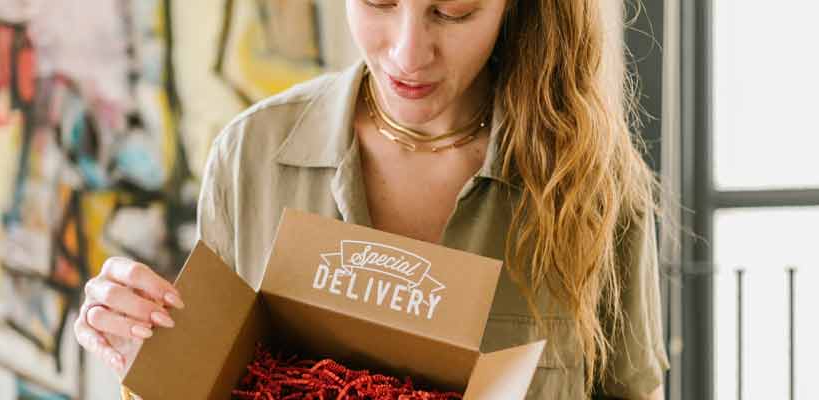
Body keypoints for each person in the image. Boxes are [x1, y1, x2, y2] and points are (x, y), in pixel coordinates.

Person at [74, 0, 670, 398]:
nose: (408, 53)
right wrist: (145, 350)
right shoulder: (251, 157)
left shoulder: (596, 187)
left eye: (454, 9)